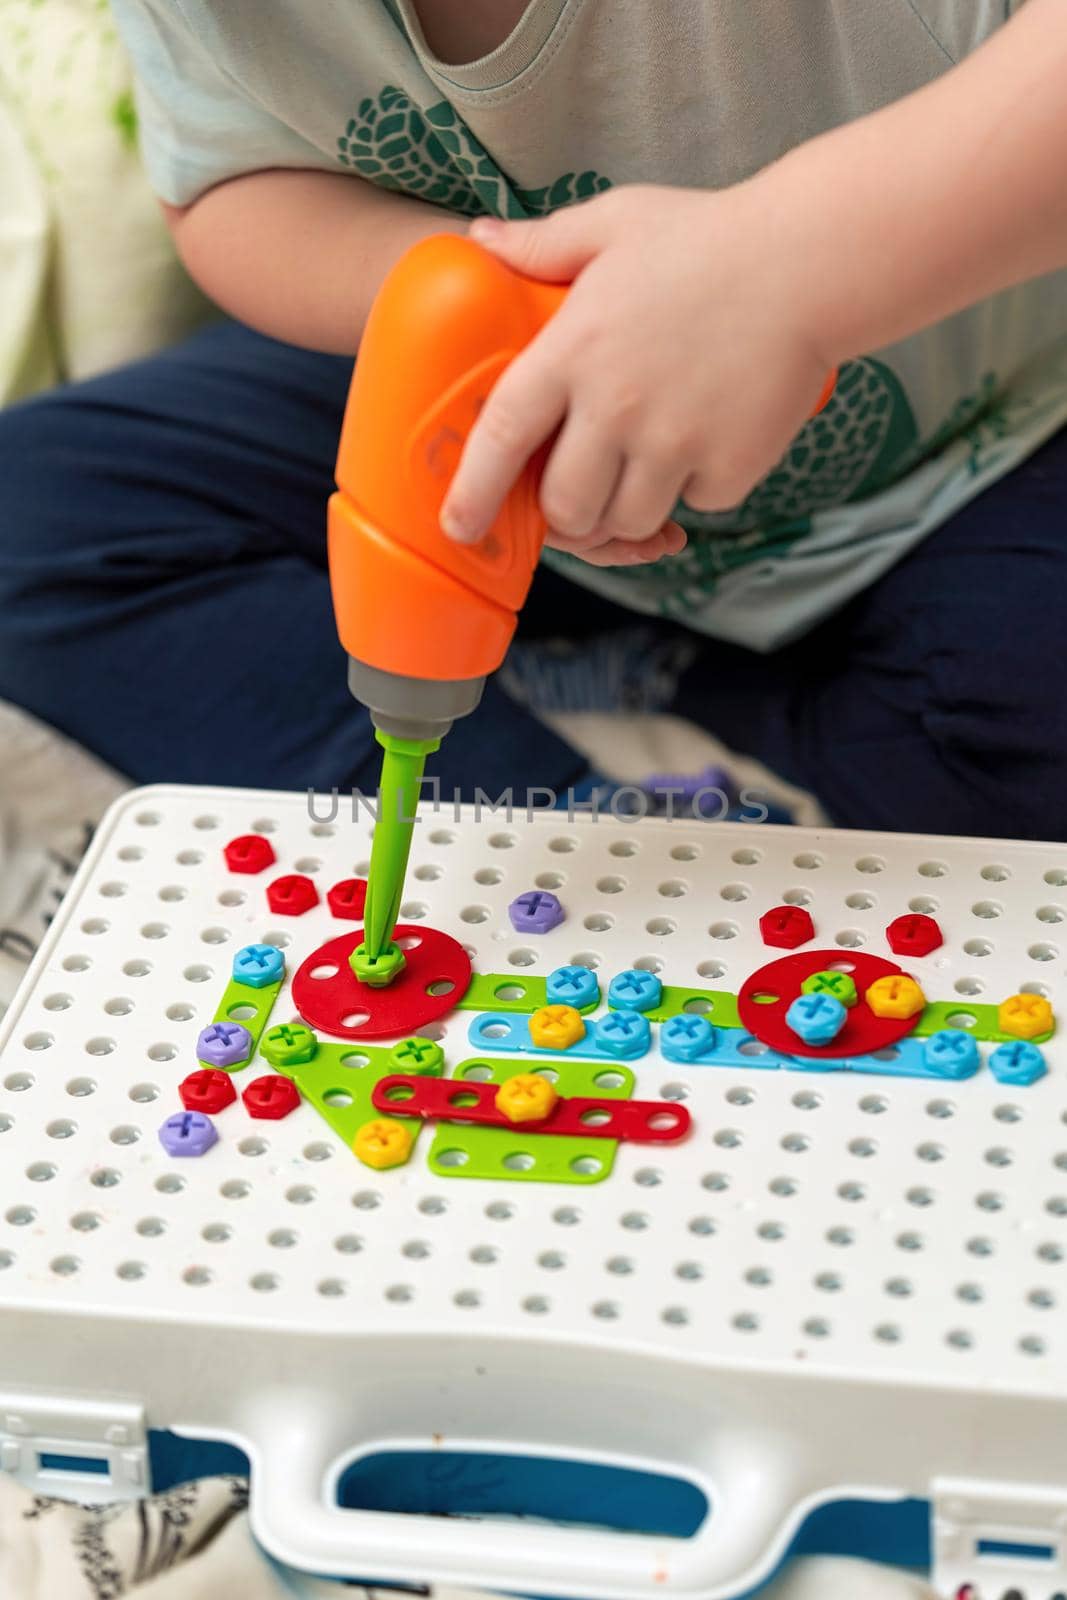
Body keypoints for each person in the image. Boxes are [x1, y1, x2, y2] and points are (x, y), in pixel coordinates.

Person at [0, 1, 1066, 840]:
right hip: (498, 396)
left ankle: (734, 690)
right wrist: (488, 313)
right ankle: (545, 832)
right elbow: (227, 184)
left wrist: (787, 267)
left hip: (977, 442)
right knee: (33, 518)